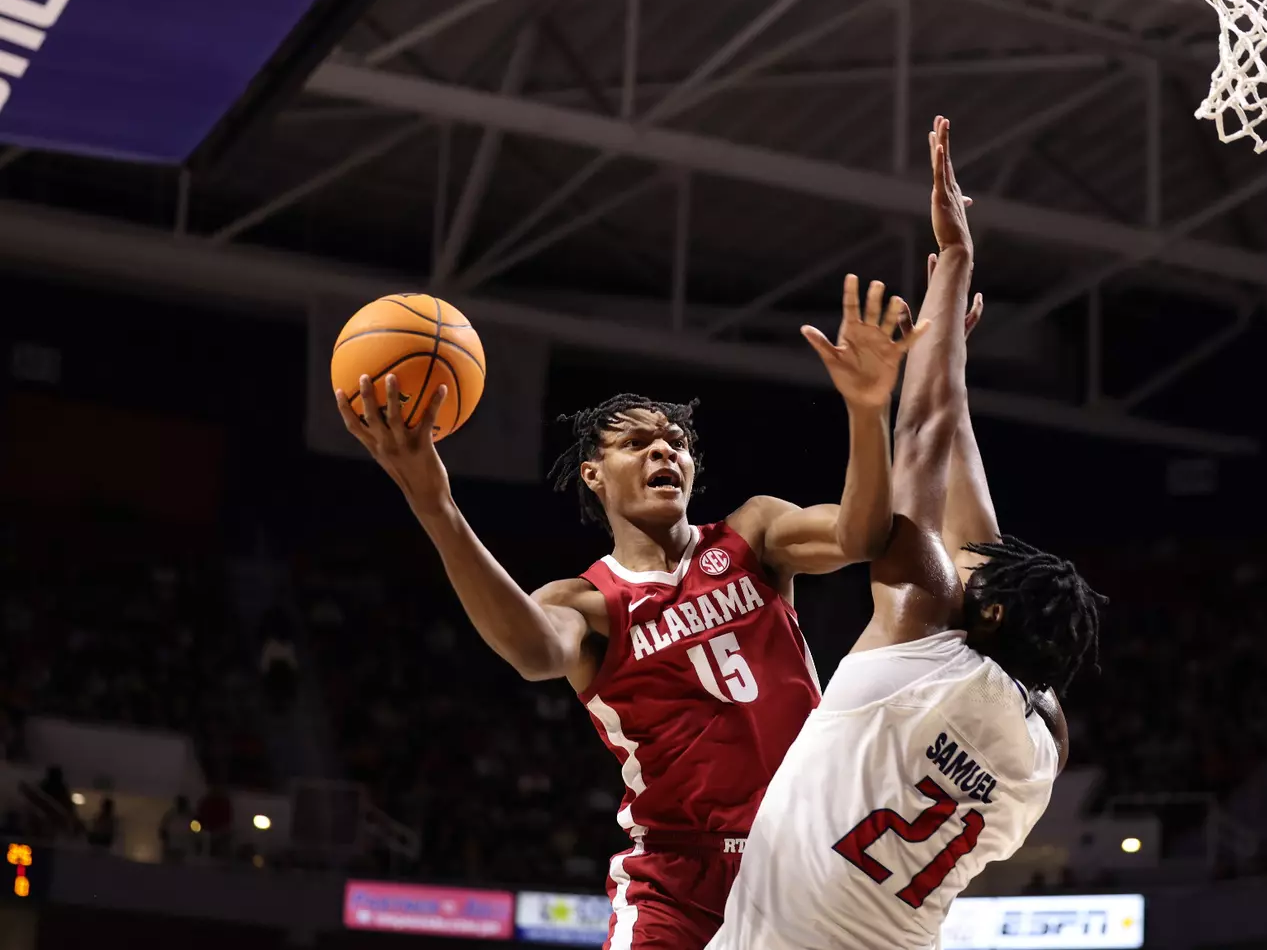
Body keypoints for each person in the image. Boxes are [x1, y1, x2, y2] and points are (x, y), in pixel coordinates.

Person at [335, 276, 928, 950]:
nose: (663, 450)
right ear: (594, 474)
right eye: (637, 442)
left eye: (675, 442)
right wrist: (435, 506)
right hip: (679, 880)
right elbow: (531, 653)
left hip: (807, 857)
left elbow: (862, 535)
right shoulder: (587, 603)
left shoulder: (754, 536)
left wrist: (866, 408)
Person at [708, 117, 1107, 950]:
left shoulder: (921, 645)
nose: (966, 564)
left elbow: (922, 435)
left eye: (976, 579)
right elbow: (963, 494)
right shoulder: (1044, 751)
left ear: (983, 616)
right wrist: (942, 360)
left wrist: (956, 262)